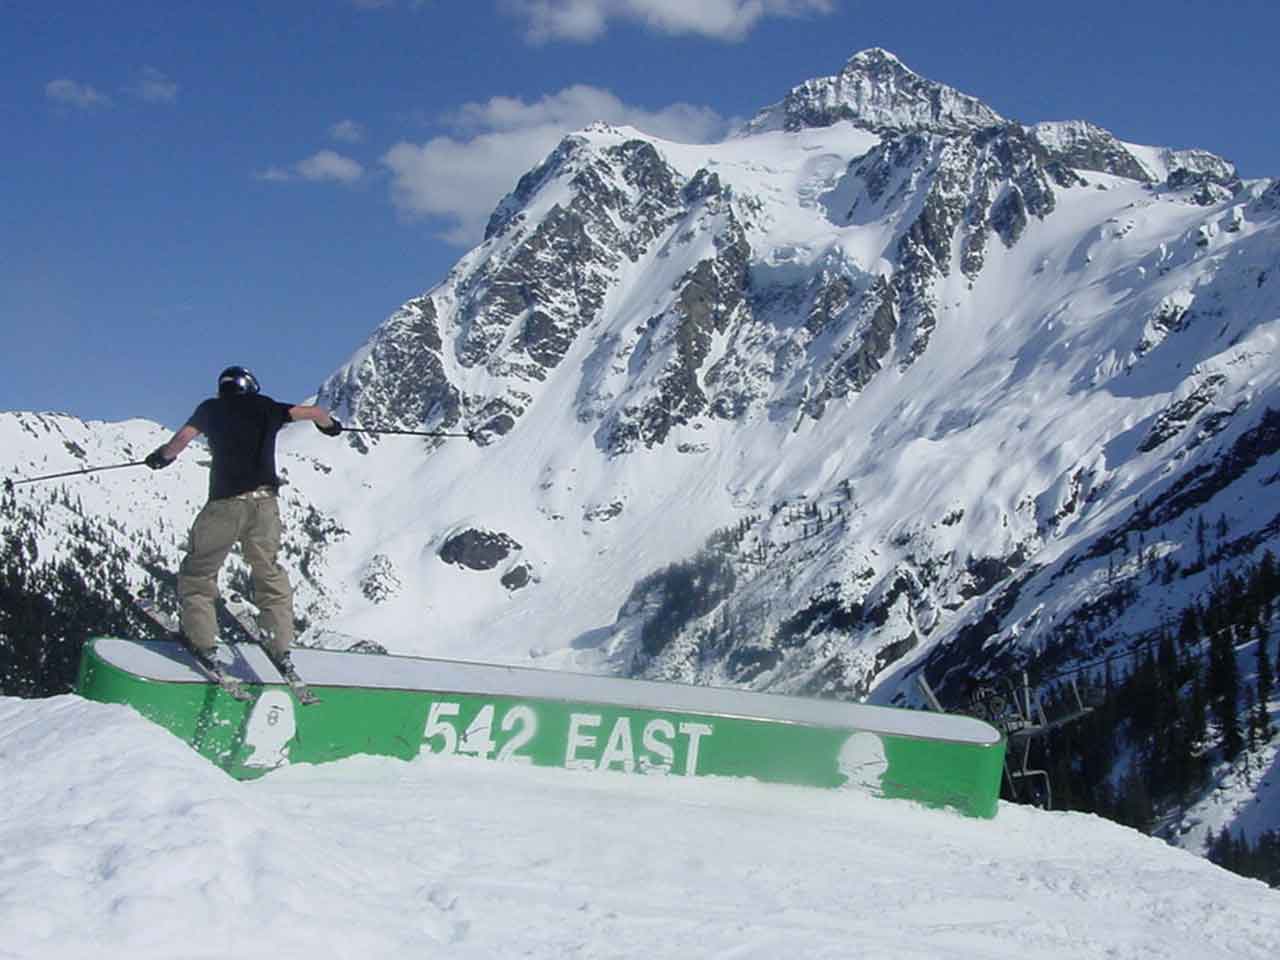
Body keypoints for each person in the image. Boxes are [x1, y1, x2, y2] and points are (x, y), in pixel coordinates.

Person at [145, 365, 342, 664]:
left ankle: (202, 641)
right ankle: (280, 645)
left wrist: (161, 458)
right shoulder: (267, 407)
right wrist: (331, 427)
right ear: (250, 386)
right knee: (268, 571)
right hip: (265, 504)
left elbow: (182, 439)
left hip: (225, 504)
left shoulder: (210, 410)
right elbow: (315, 412)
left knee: (199, 572)